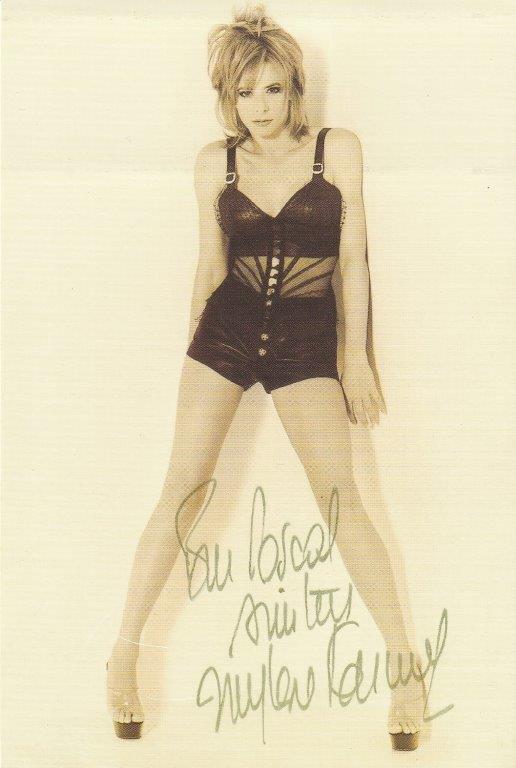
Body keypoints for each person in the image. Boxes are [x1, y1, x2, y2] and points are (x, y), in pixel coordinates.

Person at [106, 3, 428, 751]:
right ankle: (123, 654)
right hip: (225, 332)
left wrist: (355, 358)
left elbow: (353, 263)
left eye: (273, 88)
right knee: (180, 491)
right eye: (244, 91)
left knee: (341, 501)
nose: (260, 106)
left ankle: (404, 669)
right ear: (227, 95)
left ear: (295, 88)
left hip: (306, 340)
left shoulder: (336, 150)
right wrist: (192, 352)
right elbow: (210, 266)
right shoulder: (213, 163)